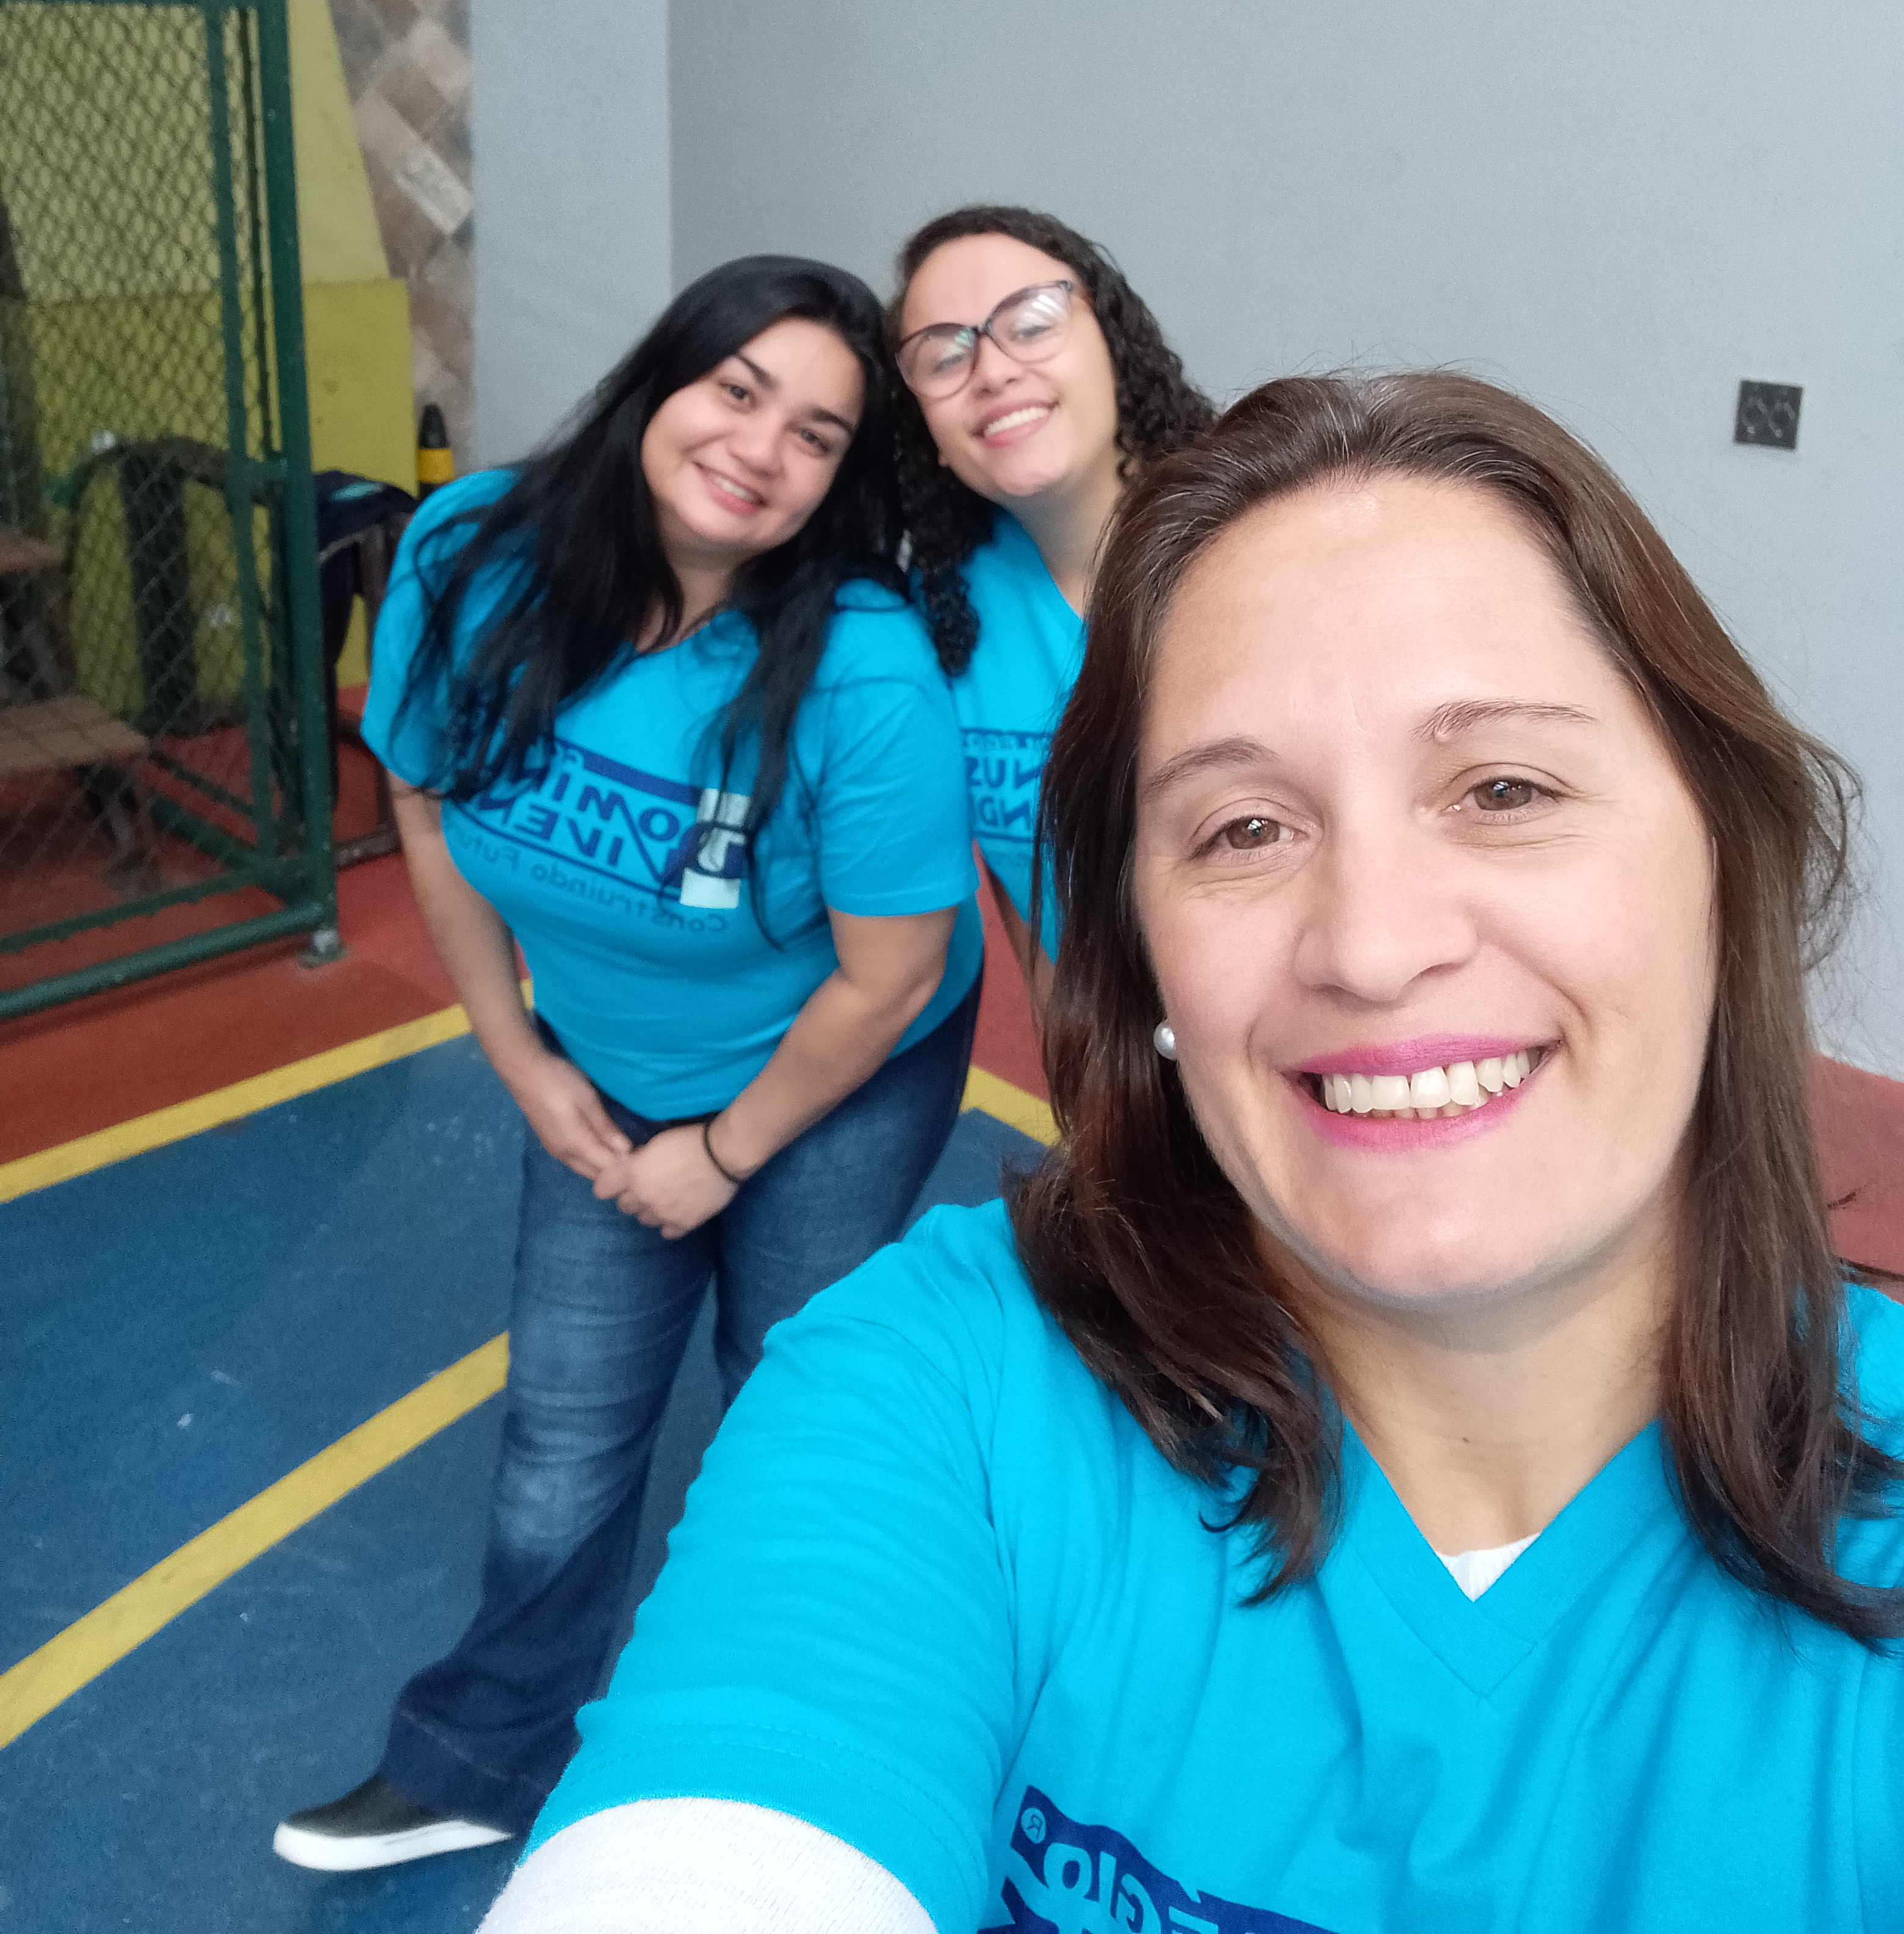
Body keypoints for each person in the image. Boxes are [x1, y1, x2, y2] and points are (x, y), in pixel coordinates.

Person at [480, 371, 1904, 1933]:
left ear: (1725, 860)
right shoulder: (947, 1391)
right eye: (1242, 828)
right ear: (1142, 960)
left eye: (1503, 788)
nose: (1370, 946)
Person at [273, 256, 983, 1872]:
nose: (760, 448)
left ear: (840, 482)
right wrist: (522, 1063)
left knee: (788, 1409)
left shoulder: (860, 668)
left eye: (817, 436)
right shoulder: (473, 553)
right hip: (603, 1055)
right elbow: (427, 811)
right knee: (564, 1433)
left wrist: (722, 1155)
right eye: (738, 390)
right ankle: (481, 1760)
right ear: (663, 380)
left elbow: (890, 974)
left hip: (833, 1069)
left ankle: (775, 1767)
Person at [890, 206, 1211, 991]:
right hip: (1108, 1044)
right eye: (944, 355)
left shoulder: (1259, 547)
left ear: (1113, 345)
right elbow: (1023, 889)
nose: (992, 371)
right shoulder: (944, 609)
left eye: (1031, 322)